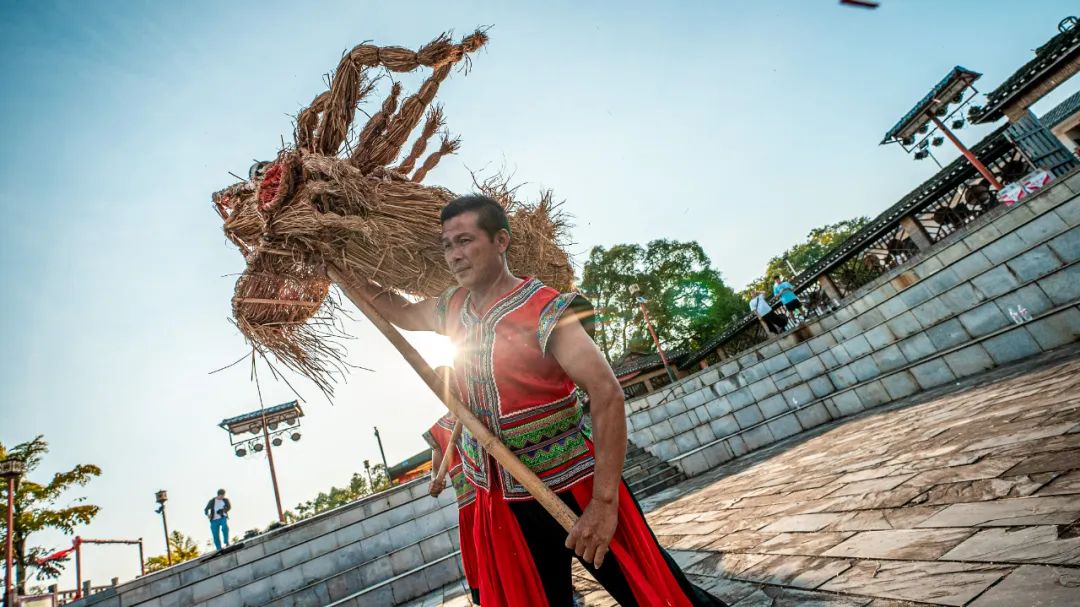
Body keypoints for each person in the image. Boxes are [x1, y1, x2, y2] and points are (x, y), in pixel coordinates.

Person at [360, 195, 725, 606]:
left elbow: (606, 393)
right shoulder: (453, 307)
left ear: (500, 241)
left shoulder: (544, 308)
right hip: (506, 503)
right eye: (447, 245)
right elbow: (403, 312)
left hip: (576, 485)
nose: (454, 255)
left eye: (464, 241)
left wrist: (604, 504)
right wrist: (349, 277)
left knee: (657, 596)